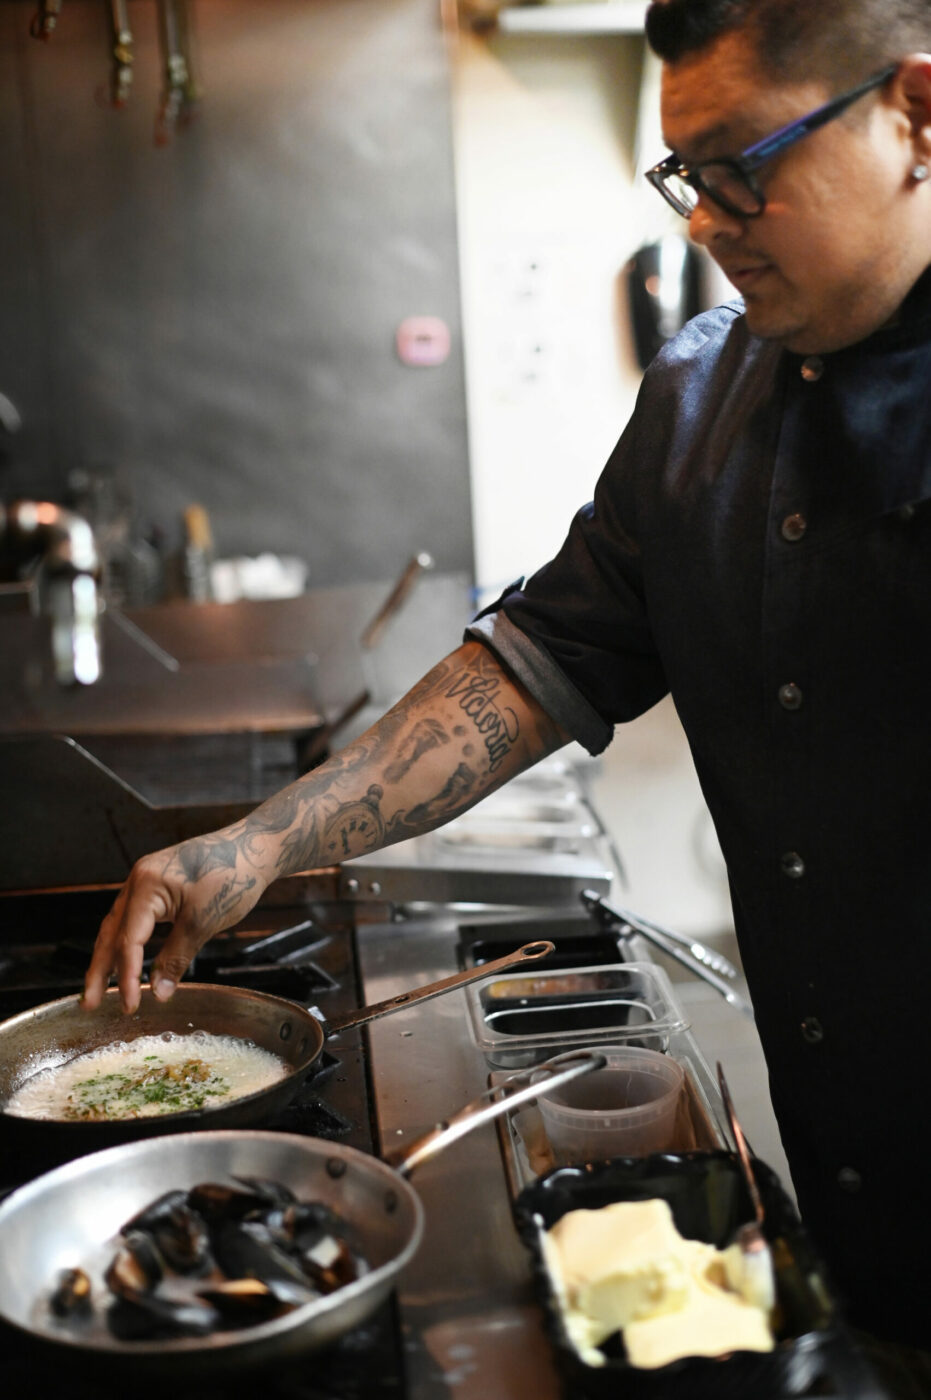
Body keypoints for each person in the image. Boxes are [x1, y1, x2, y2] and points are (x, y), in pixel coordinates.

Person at [84, 0, 930, 1388]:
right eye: (682, 177)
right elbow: (539, 659)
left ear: (916, 115)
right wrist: (256, 848)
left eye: (743, 163)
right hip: (849, 1192)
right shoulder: (699, 402)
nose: (707, 219)